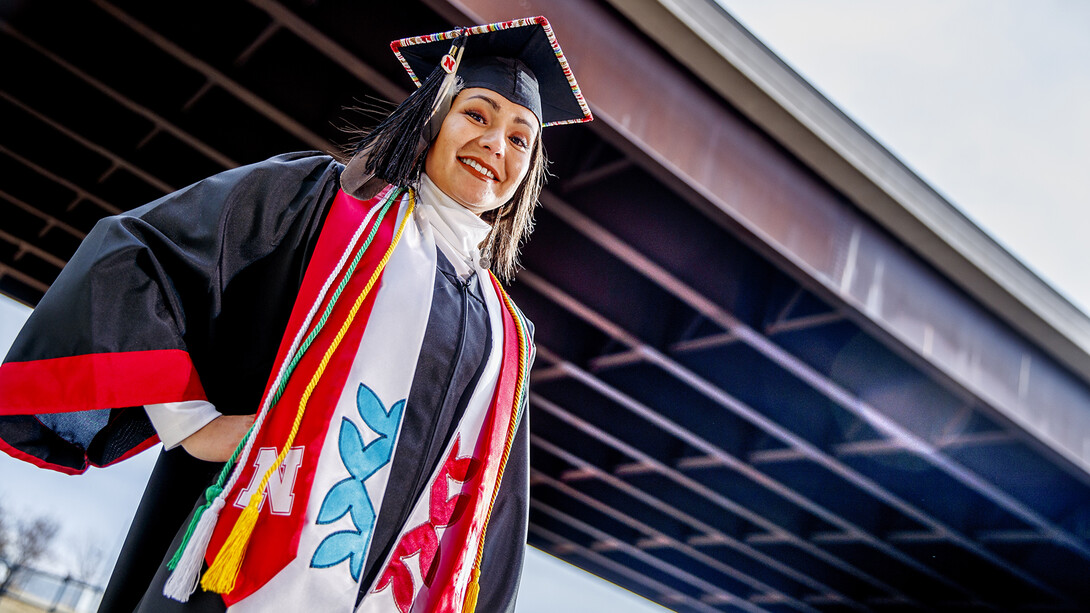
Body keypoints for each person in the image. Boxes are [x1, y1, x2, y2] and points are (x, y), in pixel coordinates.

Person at [0, 16, 592, 613]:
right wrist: (190, 422)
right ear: (434, 118)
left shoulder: (507, 332)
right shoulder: (324, 205)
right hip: (235, 575)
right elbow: (140, 252)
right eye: (478, 114)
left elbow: (489, 518)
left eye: (521, 138)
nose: (495, 144)